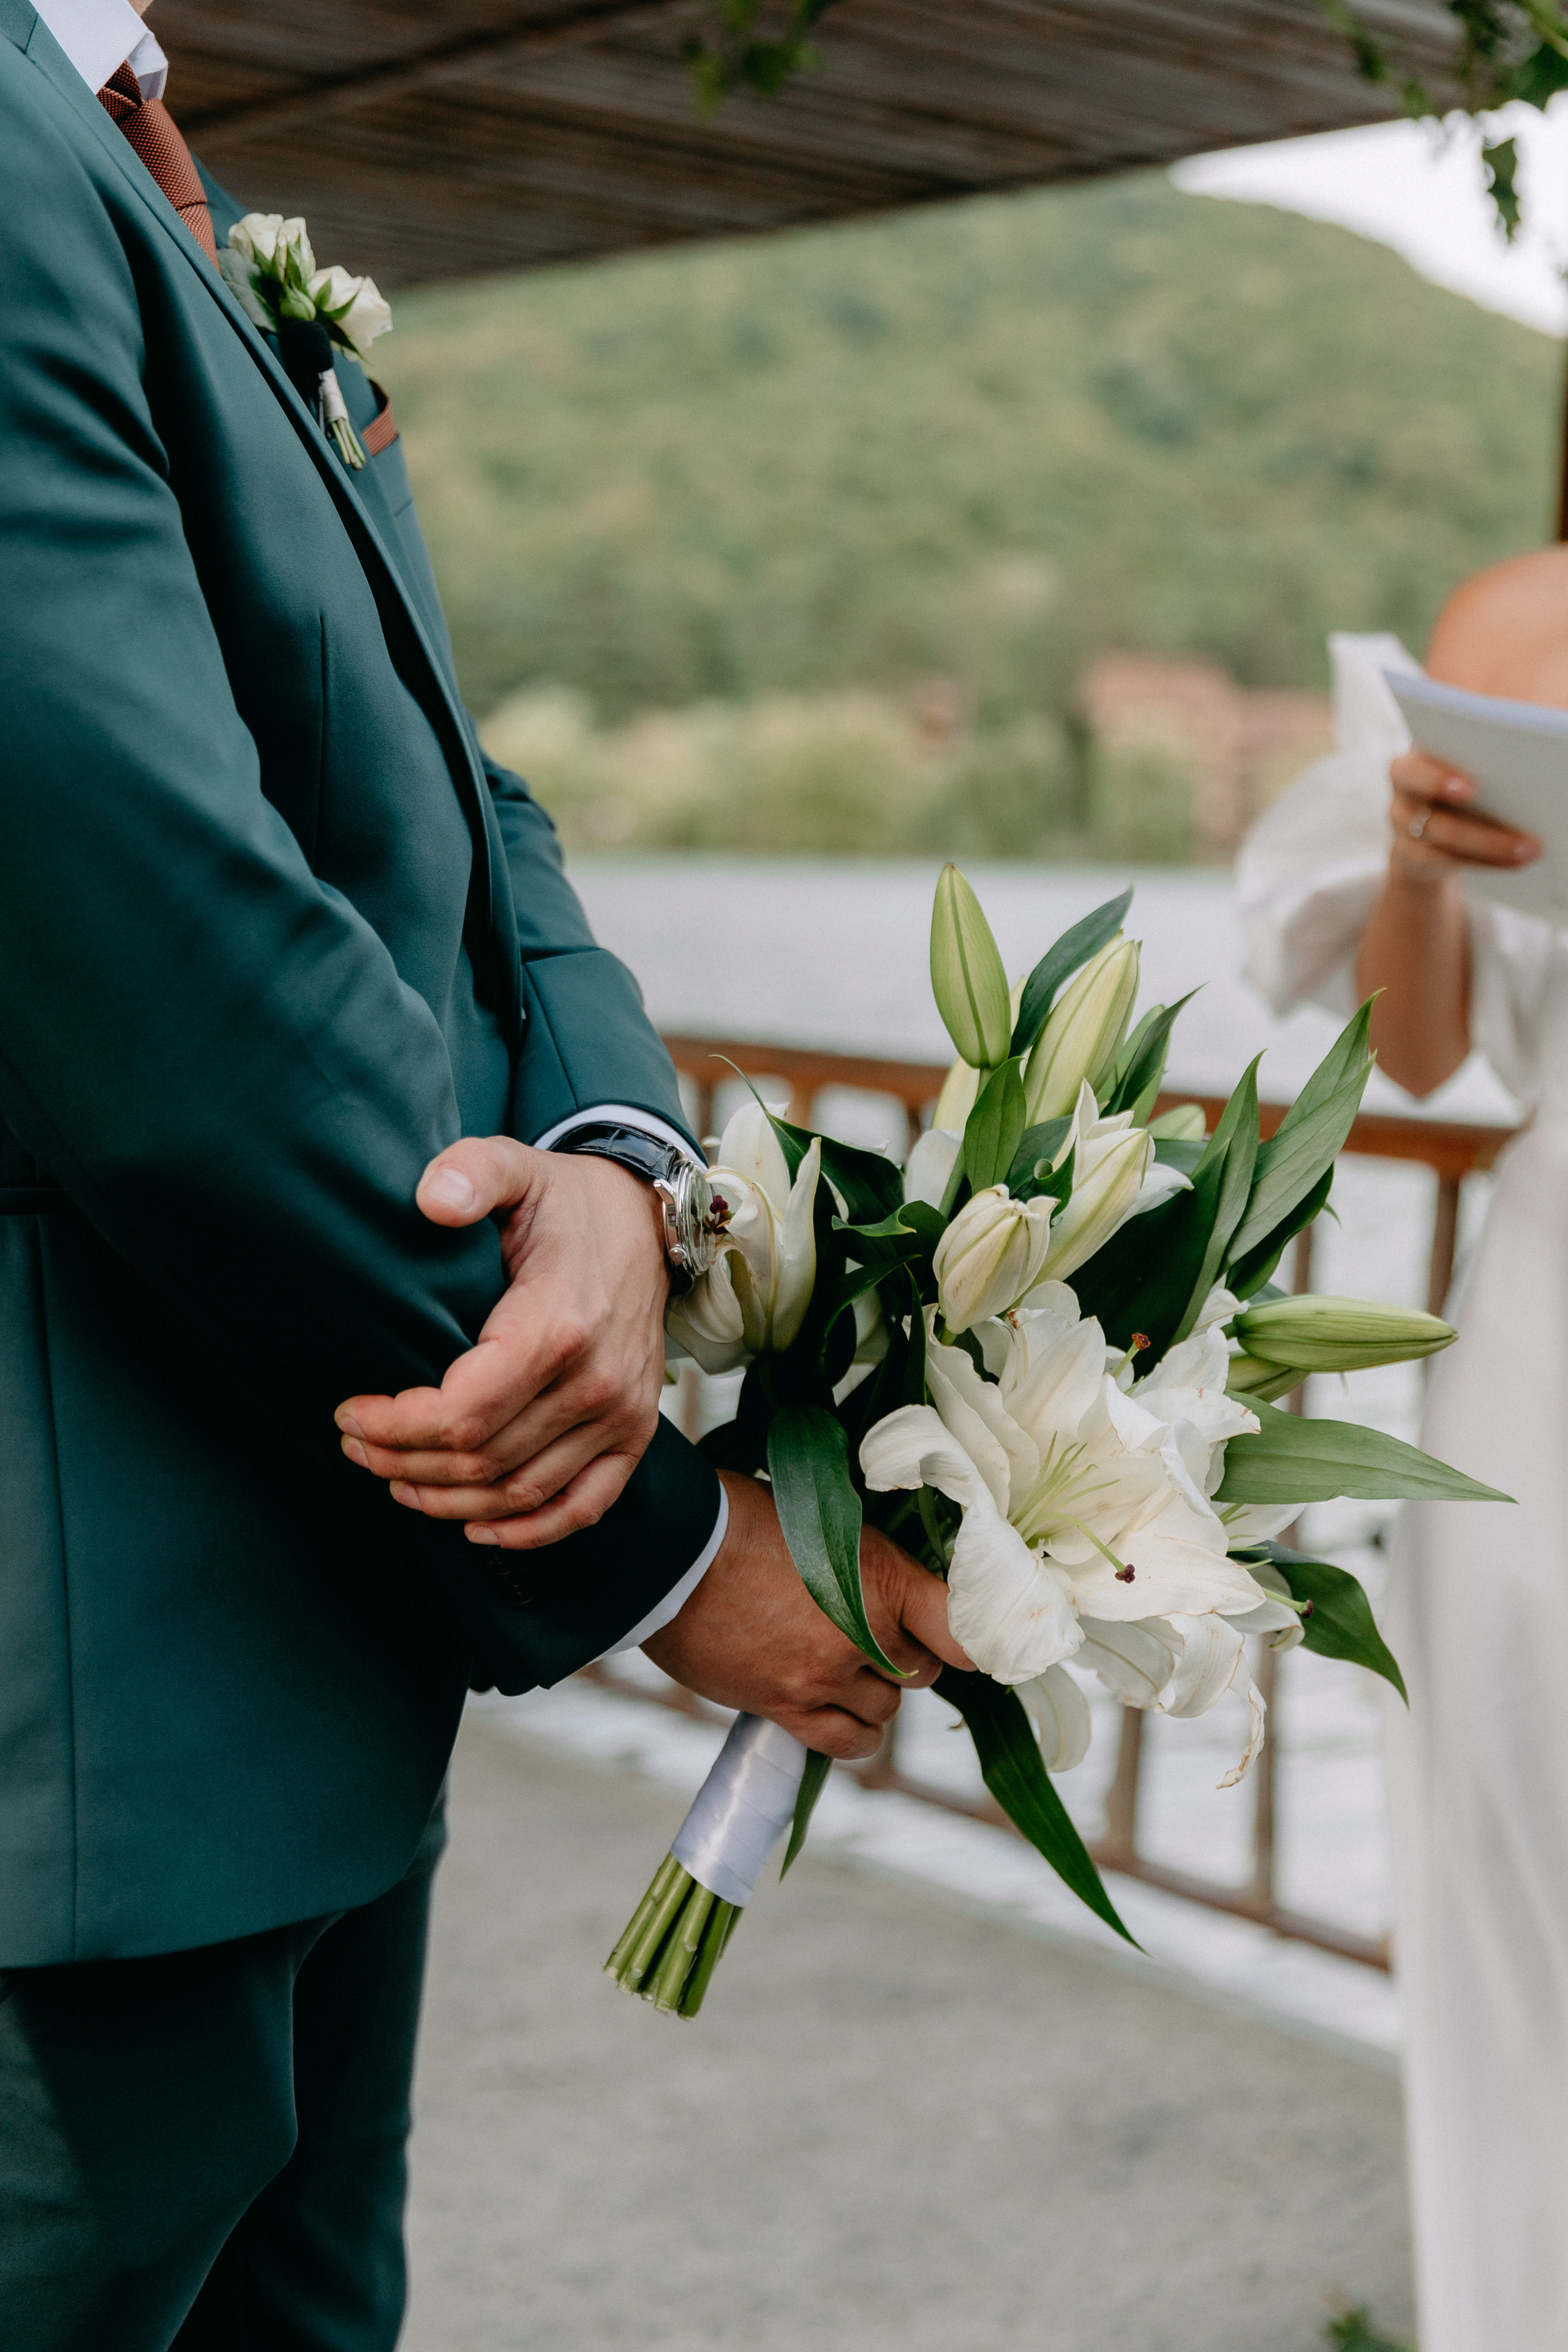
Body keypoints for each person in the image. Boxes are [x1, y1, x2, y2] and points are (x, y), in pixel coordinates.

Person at [0, 6, 964, 2345]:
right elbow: (160, 956)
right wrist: (657, 1549)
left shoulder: (134, 131)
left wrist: (624, 1159)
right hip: (74, 1751)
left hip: (329, 1695)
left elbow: (458, 794)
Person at [1237, 547, 1568, 2352]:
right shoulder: (1521, 627)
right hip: (1555, 1382)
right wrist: (1425, 872)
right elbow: (1421, 1052)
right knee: (1534, 1978)